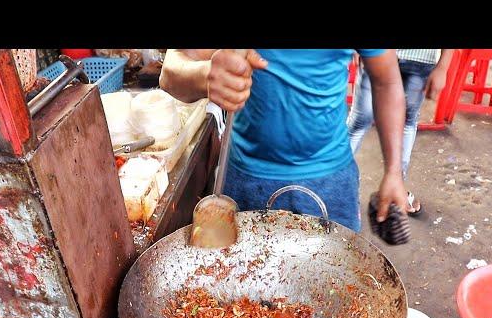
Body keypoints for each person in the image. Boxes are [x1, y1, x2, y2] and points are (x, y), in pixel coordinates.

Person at [159, 49, 408, 231]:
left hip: (331, 183)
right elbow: (170, 73)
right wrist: (204, 75)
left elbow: (387, 81)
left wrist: (394, 172)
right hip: (245, 181)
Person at [347, 49, 455, 215]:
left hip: (420, 58)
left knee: (407, 121)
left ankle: (396, 188)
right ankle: (337, 183)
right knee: (361, 120)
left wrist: (443, 66)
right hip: (376, 53)